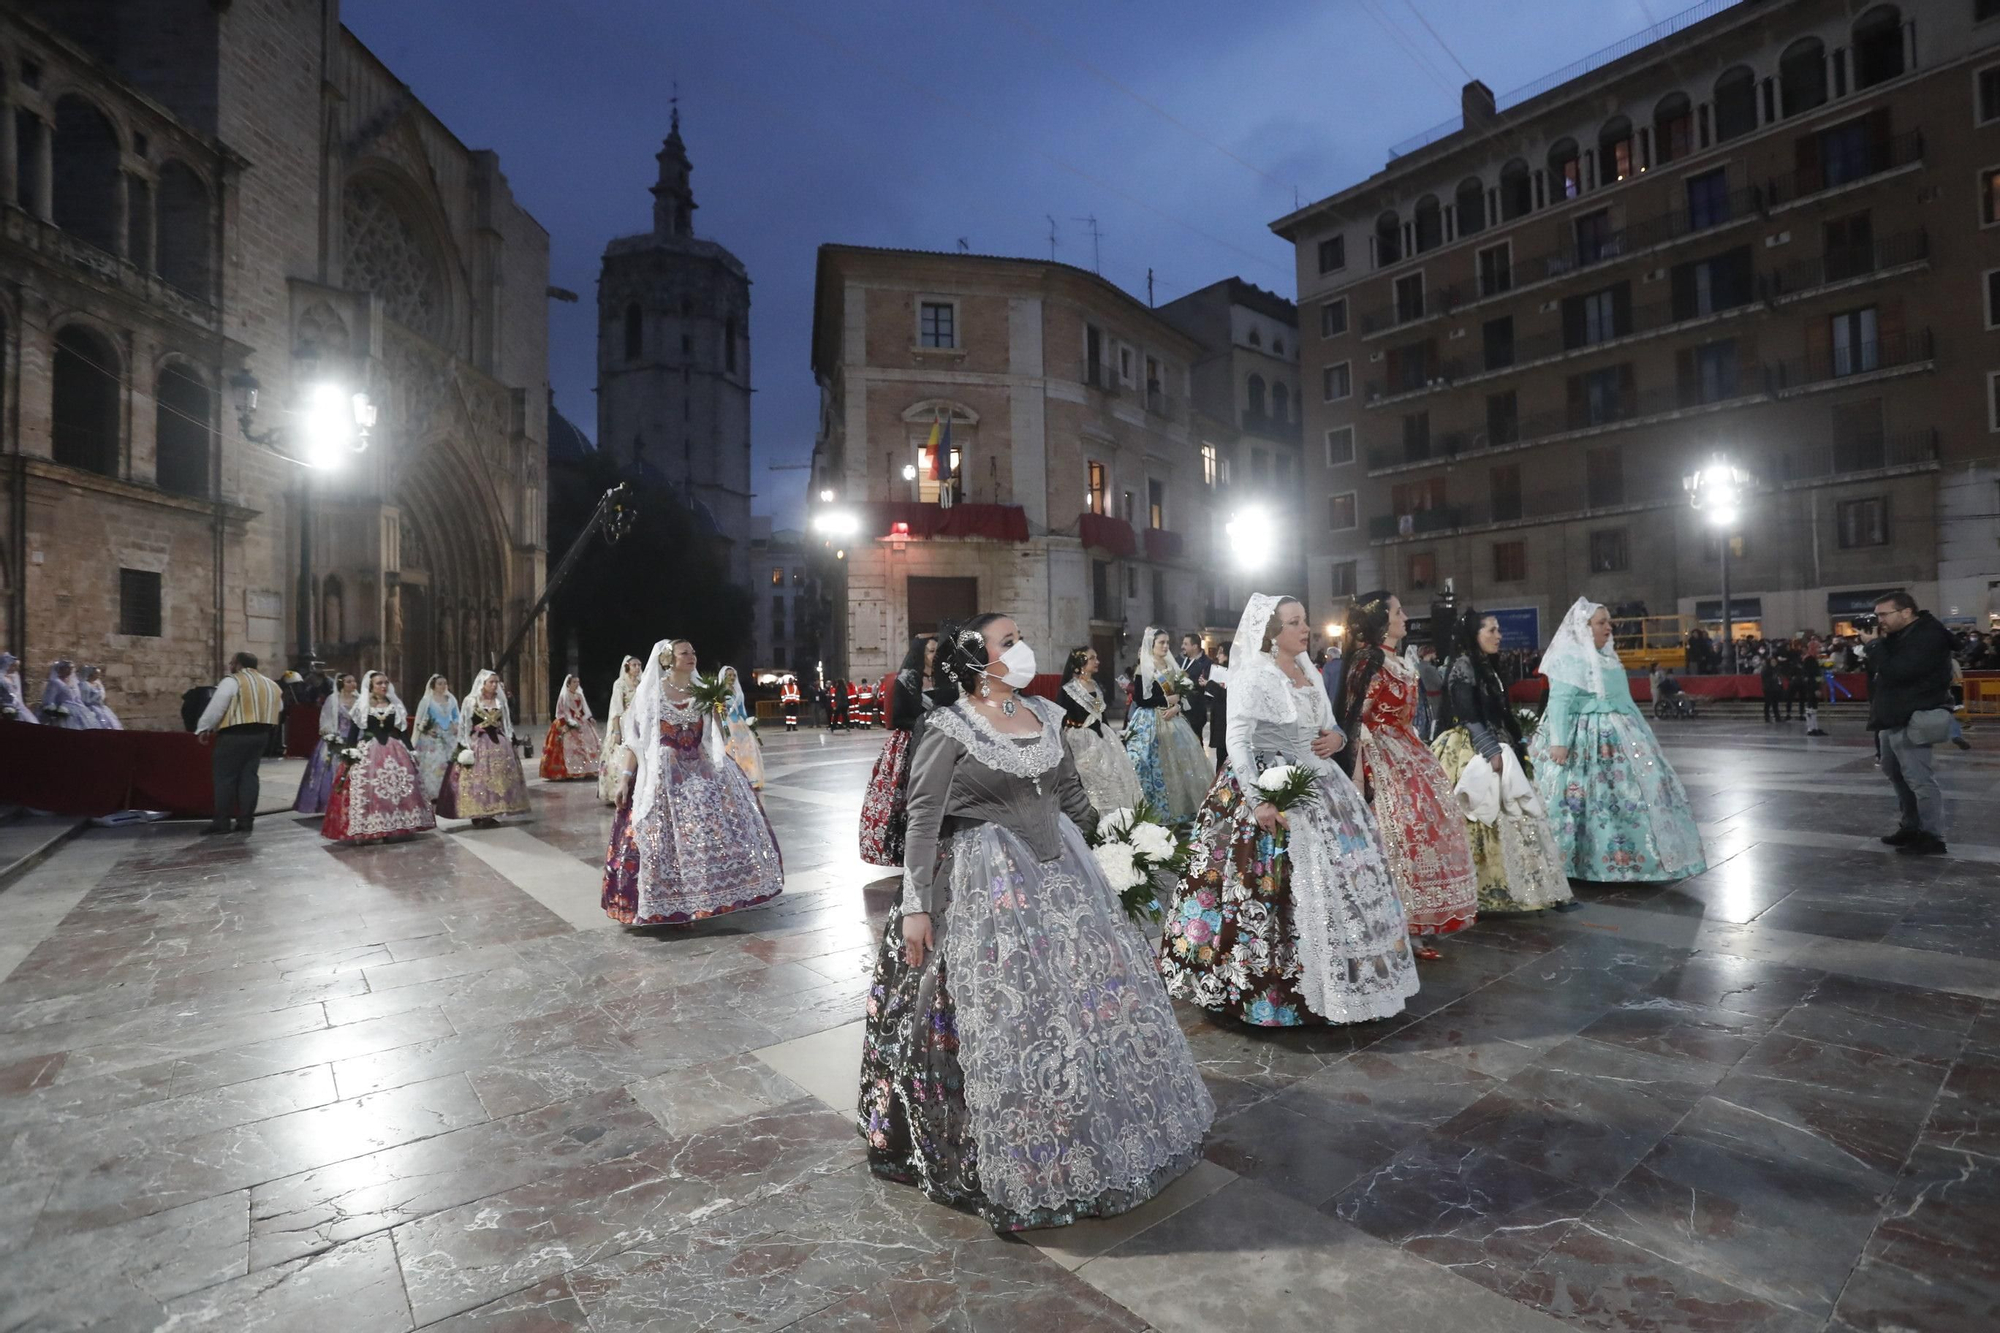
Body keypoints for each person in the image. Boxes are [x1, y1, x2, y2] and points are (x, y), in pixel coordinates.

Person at [857, 613, 1214, 1230]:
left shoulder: (1047, 714)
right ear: (977, 658)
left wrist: (1120, 848)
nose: (1022, 648)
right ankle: (1011, 1134)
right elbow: (921, 818)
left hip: (1064, 870)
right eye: (1009, 640)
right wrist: (916, 905)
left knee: (1084, 1004)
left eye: (1021, 636)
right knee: (1007, 1011)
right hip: (984, 881)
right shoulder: (947, 727)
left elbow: (1071, 797)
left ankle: (1087, 1114)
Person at [1158, 593, 1418, 1027]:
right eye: (1295, 622)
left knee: (1340, 879)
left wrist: (1335, 739)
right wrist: (1258, 800)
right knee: (1269, 889)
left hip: (1320, 781)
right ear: (1272, 634)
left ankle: (1341, 978)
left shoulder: (1309, 671)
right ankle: (1272, 991)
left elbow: (1330, 724)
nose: (1305, 629)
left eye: (1304, 621)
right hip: (1265, 781)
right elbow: (1237, 740)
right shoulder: (1254, 675)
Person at [1335, 592, 1477, 960]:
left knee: (1425, 827)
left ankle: (1416, 921)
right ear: (1382, 619)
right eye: (1398, 611)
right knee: (1398, 830)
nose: (1405, 616)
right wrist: (1359, 769)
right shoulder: (1368, 660)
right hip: (1380, 755)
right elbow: (1354, 717)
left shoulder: (1397, 659)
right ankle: (1394, 923)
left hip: (1406, 749)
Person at [602, 638, 783, 924]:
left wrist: (719, 712)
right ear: (667, 660)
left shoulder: (703, 694)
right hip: (662, 776)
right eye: (684, 652)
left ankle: (708, 896)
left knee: (712, 826)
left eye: (694, 651)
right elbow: (635, 743)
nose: (692, 656)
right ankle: (663, 901)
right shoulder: (651, 694)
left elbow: (715, 739)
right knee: (660, 839)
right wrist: (625, 779)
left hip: (699, 768)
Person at [1527, 599, 1707, 881]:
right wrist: (1559, 742)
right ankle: (1575, 861)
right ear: (1583, 628)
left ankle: (1632, 863)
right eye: (1601, 623)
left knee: (1631, 796)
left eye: (1608, 622)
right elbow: (1559, 702)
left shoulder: (1609, 658)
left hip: (1620, 737)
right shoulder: (1570, 658)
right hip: (1585, 739)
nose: (1609, 627)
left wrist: (1643, 731)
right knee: (1579, 798)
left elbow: (1626, 700)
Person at [1430, 608, 1575, 915]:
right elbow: (1467, 712)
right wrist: (1490, 749)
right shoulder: (1464, 665)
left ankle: (1522, 885)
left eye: (1498, 630)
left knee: (1515, 816)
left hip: (1500, 745)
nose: (1499, 636)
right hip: (1476, 749)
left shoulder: (1487, 666)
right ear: (1474, 635)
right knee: (1481, 815)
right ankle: (1482, 889)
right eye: (1491, 631)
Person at [1865, 592, 1955, 855]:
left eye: (1884, 614)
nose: (1879, 620)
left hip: (1914, 715)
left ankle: (1932, 835)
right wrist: (1877, 644)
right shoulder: (1899, 636)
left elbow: (1899, 672)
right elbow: (1883, 672)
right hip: (1892, 715)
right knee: (1895, 773)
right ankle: (1911, 826)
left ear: (1906, 612)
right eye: (1877, 615)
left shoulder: (1928, 635)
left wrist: (1873, 646)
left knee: (1919, 779)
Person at [860, 635, 949, 866]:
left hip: (941, 741)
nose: (935, 656)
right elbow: (899, 717)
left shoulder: (944, 678)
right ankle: (911, 851)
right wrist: (928, 722)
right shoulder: (908, 679)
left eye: (937, 651)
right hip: (912, 743)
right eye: (931, 651)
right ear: (920, 654)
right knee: (910, 799)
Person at [322, 670, 435, 844]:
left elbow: (402, 731)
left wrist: (411, 751)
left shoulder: (395, 704)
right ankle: (373, 827)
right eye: (379, 683)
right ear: (371, 686)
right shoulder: (362, 705)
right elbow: (353, 732)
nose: (383, 686)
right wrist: (350, 753)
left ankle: (396, 825)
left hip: (394, 749)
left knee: (399, 786)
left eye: (385, 683)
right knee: (370, 788)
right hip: (369, 749)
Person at [1122, 626, 1211, 822]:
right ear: (1151, 645)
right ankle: (1151, 810)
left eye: (1167, 642)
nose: (1165, 646)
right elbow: (1141, 699)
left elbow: (1181, 695)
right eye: (1161, 642)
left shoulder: (1171, 667)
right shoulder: (1144, 668)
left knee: (1178, 765)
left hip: (1173, 719)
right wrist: (1167, 701)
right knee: (1148, 763)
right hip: (1150, 721)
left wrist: (1177, 706)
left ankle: (1179, 809)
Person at [194, 652, 283, 834]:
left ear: (238, 664)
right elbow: (279, 707)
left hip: (234, 735)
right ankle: (246, 822)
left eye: (232, 662)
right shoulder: (271, 684)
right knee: (249, 777)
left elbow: (217, 706)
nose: (229, 665)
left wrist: (204, 727)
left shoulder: (233, 681)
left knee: (225, 778)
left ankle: (222, 822)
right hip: (261, 735)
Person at [437, 669, 531, 827]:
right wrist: (464, 746)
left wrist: (510, 740)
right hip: (478, 743)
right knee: (478, 779)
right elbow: (464, 725)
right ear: (483, 684)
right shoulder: (471, 701)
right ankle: (478, 812)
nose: (494, 685)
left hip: (499, 744)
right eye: (491, 682)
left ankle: (492, 811)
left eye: (496, 682)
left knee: (498, 779)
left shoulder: (500, 701)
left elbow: (507, 723)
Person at [1057, 645, 1144, 816]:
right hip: (1080, 741)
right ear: (1081, 662)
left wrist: (1114, 736)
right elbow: (1060, 718)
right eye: (1092, 658)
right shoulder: (1069, 690)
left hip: (1102, 737)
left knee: (1114, 774)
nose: (1097, 661)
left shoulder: (1095, 686)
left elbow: (1100, 713)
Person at [294, 673, 360, 814]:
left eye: (354, 681)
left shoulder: (360, 700)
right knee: (330, 769)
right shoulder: (333, 699)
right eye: (349, 681)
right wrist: (332, 737)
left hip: (355, 738)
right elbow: (326, 719)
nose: (353, 684)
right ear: (342, 684)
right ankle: (329, 803)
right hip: (338, 737)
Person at [539, 674, 603, 781]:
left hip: (580, 721)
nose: (577, 684)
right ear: (568, 684)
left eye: (578, 682)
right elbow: (561, 712)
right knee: (568, 746)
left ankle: (586, 770)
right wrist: (568, 723)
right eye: (574, 682)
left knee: (588, 743)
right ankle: (566, 771)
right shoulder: (564, 696)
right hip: (567, 721)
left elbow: (583, 710)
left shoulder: (579, 695)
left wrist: (588, 718)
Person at [598, 656, 642, 806]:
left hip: (639, 722)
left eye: (639, 665)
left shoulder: (642, 683)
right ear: (627, 667)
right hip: (624, 723)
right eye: (634, 665)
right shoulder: (620, 684)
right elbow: (616, 709)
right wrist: (617, 732)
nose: (637, 667)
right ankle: (616, 791)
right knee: (618, 756)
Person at [412, 675, 460, 803]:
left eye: (444, 683)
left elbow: (456, 716)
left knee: (452, 762)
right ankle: (435, 794)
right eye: (439, 683)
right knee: (436, 764)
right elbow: (420, 719)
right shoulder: (427, 701)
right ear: (433, 685)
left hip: (449, 735)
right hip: (433, 736)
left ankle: (450, 791)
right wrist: (427, 729)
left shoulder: (451, 699)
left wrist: (456, 724)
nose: (443, 686)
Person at [718, 666, 765, 789]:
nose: (732, 678)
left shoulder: (738, 692)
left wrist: (749, 722)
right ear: (723, 677)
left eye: (734, 675)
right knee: (730, 751)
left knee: (747, 750)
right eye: (729, 675)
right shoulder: (720, 692)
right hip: (726, 724)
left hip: (739, 724)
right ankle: (733, 780)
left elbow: (742, 711)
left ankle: (750, 779)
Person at [1179, 632, 1213, 761]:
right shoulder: (1182, 660)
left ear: (1195, 646)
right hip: (1182, 709)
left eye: (1186, 644)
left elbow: (1206, 685)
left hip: (1196, 710)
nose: (1183, 646)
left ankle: (1200, 770)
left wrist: (1189, 679)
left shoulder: (1206, 663)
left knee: (1195, 742)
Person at [39, 660, 91, 728]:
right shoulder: (55, 682)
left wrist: (83, 708)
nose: (69, 670)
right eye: (67, 668)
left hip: (76, 710)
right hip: (62, 710)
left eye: (71, 668)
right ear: (60, 669)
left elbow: (77, 697)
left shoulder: (74, 682)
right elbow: (50, 698)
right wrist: (53, 710)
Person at [1, 654, 36, 725]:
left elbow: (17, 693)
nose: (15, 668)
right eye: (13, 666)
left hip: (19, 707)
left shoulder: (15, 676)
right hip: (6, 707)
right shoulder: (1, 678)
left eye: (16, 666)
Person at [1760, 653, 1785, 724]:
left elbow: (1779, 678)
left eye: (1775, 662)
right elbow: (1765, 679)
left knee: (1775, 703)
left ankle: (1777, 716)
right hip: (1768, 688)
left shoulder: (1777, 669)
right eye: (1772, 662)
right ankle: (1767, 716)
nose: (1774, 663)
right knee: (1768, 703)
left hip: (1776, 688)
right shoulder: (1766, 669)